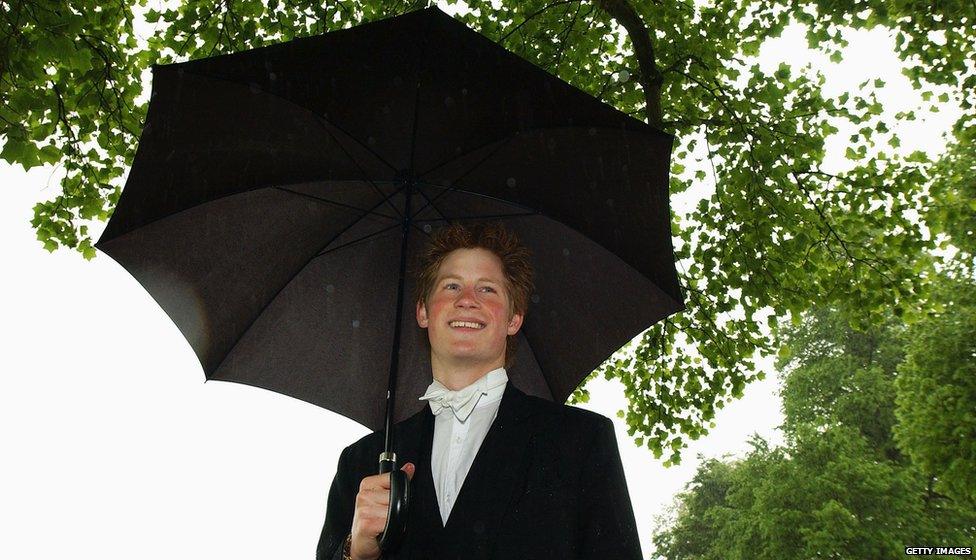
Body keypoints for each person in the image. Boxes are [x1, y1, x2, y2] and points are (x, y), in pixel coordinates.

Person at [316, 222, 642, 560]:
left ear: (514, 319)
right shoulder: (362, 461)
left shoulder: (581, 439)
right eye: (451, 285)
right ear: (423, 312)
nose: (467, 300)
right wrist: (356, 553)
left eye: (487, 289)